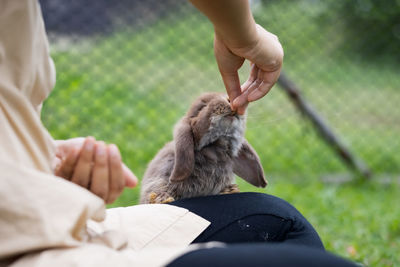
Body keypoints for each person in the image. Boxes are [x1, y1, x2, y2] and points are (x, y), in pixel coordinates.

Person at [0, 0, 357, 266]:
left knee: (280, 220)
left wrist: (41, 160)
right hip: (26, 244)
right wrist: (245, 36)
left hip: (44, 218)